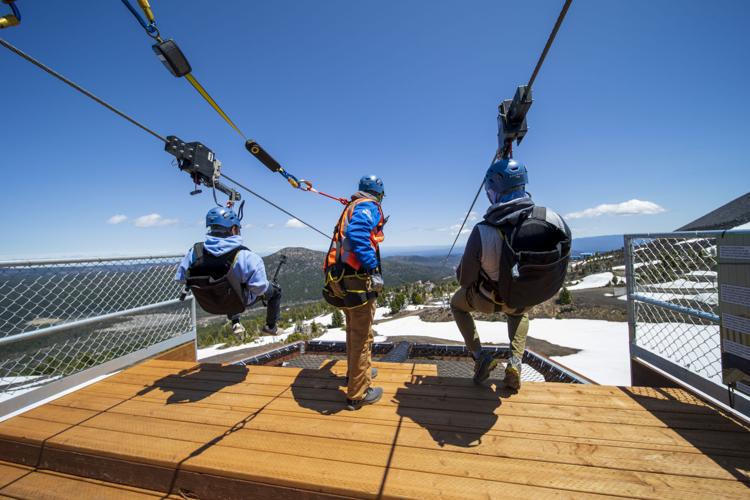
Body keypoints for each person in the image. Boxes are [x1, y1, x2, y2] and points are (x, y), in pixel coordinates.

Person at [451, 159, 571, 390]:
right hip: (519, 299)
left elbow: (465, 281)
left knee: (456, 305)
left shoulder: (482, 231)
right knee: (519, 315)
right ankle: (514, 363)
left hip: (486, 299)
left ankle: (480, 357)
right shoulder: (549, 219)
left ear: (494, 191)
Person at [322, 175, 387, 410]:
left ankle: (357, 374)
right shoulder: (369, 206)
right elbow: (359, 235)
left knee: (353, 331)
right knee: (362, 337)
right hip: (358, 280)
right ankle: (358, 393)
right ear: (378, 194)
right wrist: (372, 268)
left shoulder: (352, 206)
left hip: (342, 279)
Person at [175, 206, 281, 336]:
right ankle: (271, 327)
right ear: (234, 229)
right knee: (275, 291)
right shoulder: (246, 256)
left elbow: (181, 278)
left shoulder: (195, 252)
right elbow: (259, 289)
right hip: (237, 300)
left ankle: (235, 321)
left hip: (209, 302)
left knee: (229, 286)